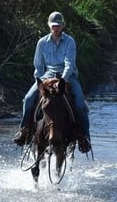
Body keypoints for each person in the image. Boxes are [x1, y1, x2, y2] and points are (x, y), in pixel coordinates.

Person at [13, 11, 91, 153]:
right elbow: (38, 65)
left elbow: (70, 64)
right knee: (28, 99)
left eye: (58, 26)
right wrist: (41, 81)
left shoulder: (70, 42)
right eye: (53, 26)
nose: (56, 28)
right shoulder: (42, 42)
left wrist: (62, 80)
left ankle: (84, 137)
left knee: (80, 105)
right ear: (49, 26)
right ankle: (24, 131)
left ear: (63, 26)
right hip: (47, 76)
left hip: (68, 76)